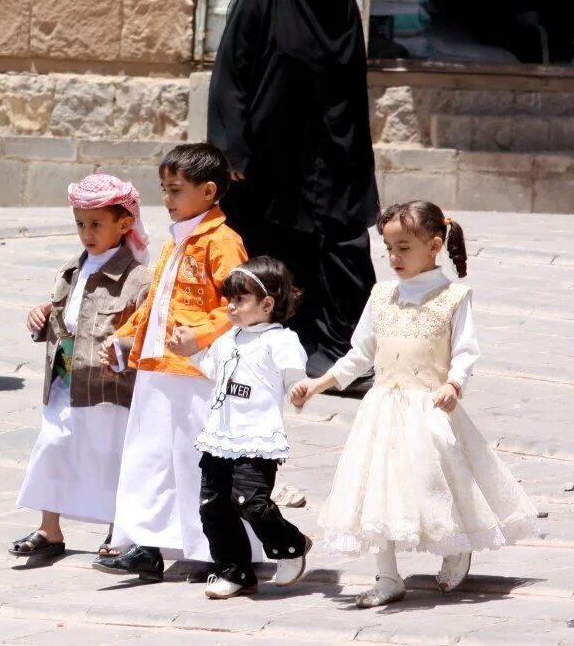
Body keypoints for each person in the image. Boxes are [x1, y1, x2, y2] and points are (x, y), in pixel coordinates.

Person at [291, 201, 537, 608]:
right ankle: (386, 575)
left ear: (434, 245)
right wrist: (319, 383)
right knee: (378, 488)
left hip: (431, 407)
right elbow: (360, 353)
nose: (394, 258)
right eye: (388, 249)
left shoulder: (453, 298)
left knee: (436, 482)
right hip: (383, 408)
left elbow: (465, 351)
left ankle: (455, 545)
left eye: (404, 248)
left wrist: (454, 385)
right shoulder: (382, 294)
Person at [208, 0, 379, 385]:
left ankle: (343, 356)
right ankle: (266, 347)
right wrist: (232, 150)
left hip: (330, 150)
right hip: (267, 152)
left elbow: (350, 83)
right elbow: (231, 76)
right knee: (270, 241)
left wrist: (349, 152)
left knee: (341, 242)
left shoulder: (338, 1)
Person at [93, 143, 259, 581]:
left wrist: (200, 334)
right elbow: (155, 302)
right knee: (147, 457)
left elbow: (240, 303)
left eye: (175, 190)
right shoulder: (175, 237)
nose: (166, 199)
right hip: (155, 365)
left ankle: (215, 549)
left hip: (197, 371)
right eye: (163, 189)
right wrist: (126, 337)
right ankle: (143, 545)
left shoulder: (223, 241)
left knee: (194, 464)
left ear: (207, 191)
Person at [11, 174, 152, 561]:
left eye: (95, 224)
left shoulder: (138, 279)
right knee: (53, 446)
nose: (86, 233)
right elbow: (63, 315)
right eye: (80, 224)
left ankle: (117, 531)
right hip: (64, 378)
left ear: (124, 225)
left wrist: (122, 348)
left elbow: (141, 330)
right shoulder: (72, 269)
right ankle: (49, 528)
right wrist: (39, 316)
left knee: (110, 455)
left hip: (108, 386)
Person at [194, 257, 311, 599]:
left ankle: (291, 546)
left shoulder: (280, 340)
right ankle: (235, 569)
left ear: (267, 303)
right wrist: (187, 353)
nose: (230, 307)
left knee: (251, 502)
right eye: (229, 299)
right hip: (219, 437)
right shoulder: (227, 339)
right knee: (212, 505)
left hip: (256, 438)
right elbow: (211, 369)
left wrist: (299, 391)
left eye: (239, 300)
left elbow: (294, 376)